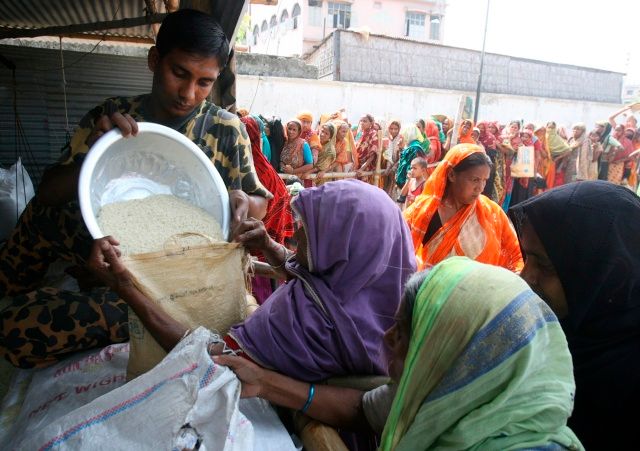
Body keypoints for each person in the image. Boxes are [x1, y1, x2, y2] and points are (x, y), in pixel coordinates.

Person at [0, 9, 271, 368]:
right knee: (42, 216)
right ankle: (10, 282)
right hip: (110, 246)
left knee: (15, 331)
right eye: (179, 73)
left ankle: (111, 309)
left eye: (205, 82)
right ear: (155, 60)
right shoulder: (114, 114)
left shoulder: (225, 128)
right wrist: (96, 150)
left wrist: (243, 203)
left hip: (174, 277)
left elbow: (259, 202)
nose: (189, 93)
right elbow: (48, 193)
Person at [215, 258, 583, 451]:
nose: (387, 338)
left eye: (407, 332)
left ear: (453, 351)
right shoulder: (456, 398)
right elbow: (364, 409)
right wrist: (264, 383)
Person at [86, 180, 416, 382]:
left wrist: (125, 286)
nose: (295, 230)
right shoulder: (383, 292)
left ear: (342, 247)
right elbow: (315, 282)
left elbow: (212, 358)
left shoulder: (308, 326)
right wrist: (268, 246)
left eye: (307, 227)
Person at [509, 181, 640, 450]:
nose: (525, 277)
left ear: (604, 272)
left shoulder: (625, 376)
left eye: (544, 265)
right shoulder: (548, 333)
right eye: (526, 258)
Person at [404, 143, 523, 272]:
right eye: (475, 180)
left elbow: (515, 255)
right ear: (451, 175)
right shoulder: (424, 210)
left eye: (485, 180)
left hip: (477, 290)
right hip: (434, 289)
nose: (481, 188)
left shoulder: (492, 213)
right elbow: (398, 249)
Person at [240, 115, 295, 303]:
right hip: (269, 241)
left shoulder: (250, 171)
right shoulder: (260, 165)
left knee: (254, 292)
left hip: (257, 243)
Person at [395, 125, 428, 189]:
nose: (402, 138)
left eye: (403, 136)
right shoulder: (412, 146)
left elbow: (408, 167)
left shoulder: (413, 148)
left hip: (411, 184)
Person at [355, 114, 381, 179]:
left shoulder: (373, 134)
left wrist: (362, 168)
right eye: (361, 121)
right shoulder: (360, 134)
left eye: (365, 121)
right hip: (357, 165)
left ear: (371, 123)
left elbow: (373, 154)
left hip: (366, 168)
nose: (362, 123)